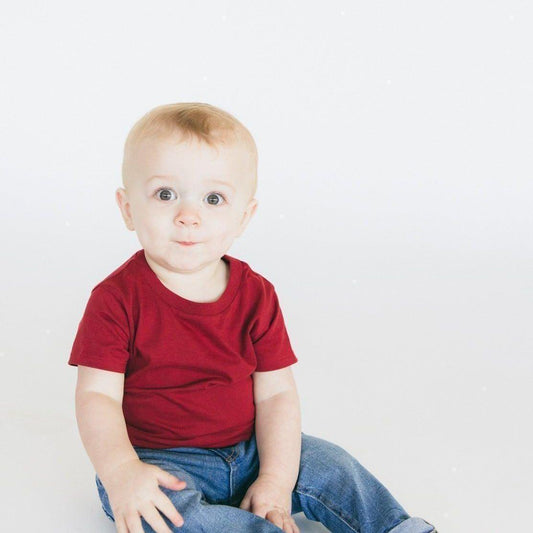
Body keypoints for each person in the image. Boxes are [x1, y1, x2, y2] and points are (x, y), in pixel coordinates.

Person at [68, 102, 437, 533]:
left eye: (213, 199)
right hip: (160, 464)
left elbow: (276, 394)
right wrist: (121, 472)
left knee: (330, 463)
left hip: (252, 451)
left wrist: (275, 479)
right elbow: (97, 396)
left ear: (244, 217)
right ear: (128, 208)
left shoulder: (256, 295)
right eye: (165, 194)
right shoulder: (115, 300)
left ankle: (392, 526)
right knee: (170, 517)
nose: (188, 216)